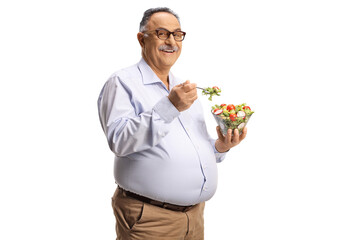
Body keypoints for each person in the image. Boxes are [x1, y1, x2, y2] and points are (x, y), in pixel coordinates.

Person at [97, 7, 248, 240]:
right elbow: (120, 140)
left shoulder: (183, 87)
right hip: (149, 219)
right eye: (161, 33)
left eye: (177, 34)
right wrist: (170, 106)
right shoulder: (122, 82)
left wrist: (220, 146)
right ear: (141, 39)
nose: (171, 41)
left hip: (194, 218)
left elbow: (193, 145)